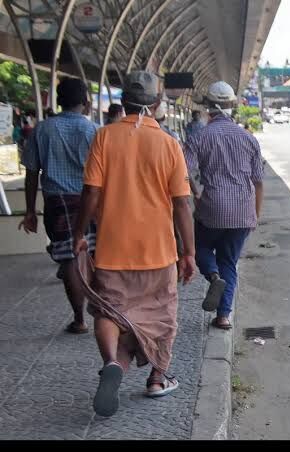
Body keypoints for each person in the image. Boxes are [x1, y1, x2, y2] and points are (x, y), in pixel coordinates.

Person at [72, 71, 196, 417]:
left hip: (113, 249)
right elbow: (182, 204)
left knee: (109, 310)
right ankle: (157, 378)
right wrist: (189, 252)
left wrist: (80, 232)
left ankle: (113, 362)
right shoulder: (169, 144)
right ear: (156, 104)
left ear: (123, 101)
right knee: (162, 315)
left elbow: (91, 192)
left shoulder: (103, 138)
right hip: (158, 251)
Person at [19, 77, 98, 335]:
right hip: (93, 198)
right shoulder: (94, 131)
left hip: (58, 201)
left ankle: (79, 319)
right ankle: (105, 311)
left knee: (69, 259)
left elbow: (32, 173)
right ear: (86, 103)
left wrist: (30, 210)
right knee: (99, 254)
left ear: (59, 101)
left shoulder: (42, 129)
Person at [184, 81, 264, 330]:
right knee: (230, 261)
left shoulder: (200, 137)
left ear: (208, 107)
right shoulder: (248, 139)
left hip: (212, 207)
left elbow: (182, 173)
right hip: (243, 209)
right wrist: (255, 216)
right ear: (232, 106)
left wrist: (195, 193)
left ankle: (212, 275)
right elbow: (259, 182)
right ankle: (223, 316)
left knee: (200, 248)